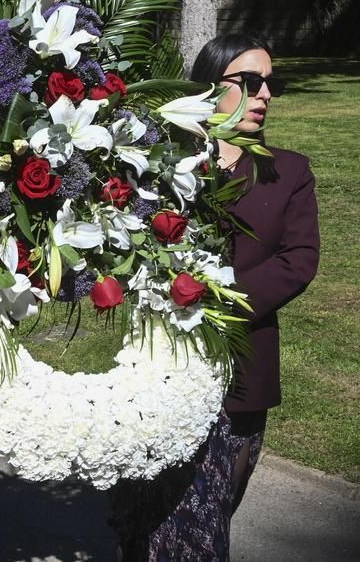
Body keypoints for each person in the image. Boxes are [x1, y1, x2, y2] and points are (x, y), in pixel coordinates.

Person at [111, 34, 320, 560]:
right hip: (159, 372)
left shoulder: (288, 171)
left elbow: (298, 260)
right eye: (249, 81)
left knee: (203, 528)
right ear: (211, 86)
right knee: (145, 524)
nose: (264, 94)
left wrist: (211, 302)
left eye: (270, 83)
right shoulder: (159, 168)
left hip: (239, 374)